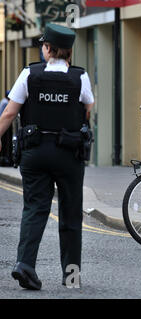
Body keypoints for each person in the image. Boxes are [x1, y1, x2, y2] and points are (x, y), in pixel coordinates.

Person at [0, 23, 94, 290]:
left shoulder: (29, 74)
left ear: (48, 48)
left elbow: (8, 113)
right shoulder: (80, 77)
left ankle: (25, 265)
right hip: (69, 153)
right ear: (69, 51)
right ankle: (71, 275)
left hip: (35, 152)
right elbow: (88, 107)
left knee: (34, 209)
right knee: (71, 214)